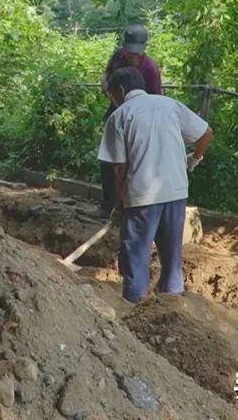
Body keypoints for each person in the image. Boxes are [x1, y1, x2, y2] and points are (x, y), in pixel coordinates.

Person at [97, 66, 213, 303]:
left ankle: (135, 305)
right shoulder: (169, 105)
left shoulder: (119, 116)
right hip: (176, 191)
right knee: (172, 255)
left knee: (136, 255)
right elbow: (206, 133)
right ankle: (172, 304)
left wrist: (120, 201)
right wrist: (194, 159)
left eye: (111, 95)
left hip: (141, 196)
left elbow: (119, 168)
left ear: (119, 90)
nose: (112, 101)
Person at [99, 24, 162, 217]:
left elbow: (156, 100)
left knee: (132, 160)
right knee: (109, 158)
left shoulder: (150, 69)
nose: (133, 57)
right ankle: (108, 202)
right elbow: (106, 76)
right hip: (116, 109)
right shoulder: (118, 57)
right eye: (130, 53)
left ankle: (132, 204)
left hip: (140, 119)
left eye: (137, 54)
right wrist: (107, 89)